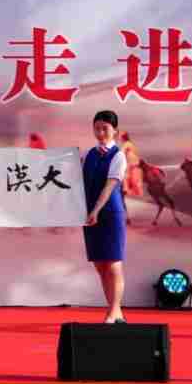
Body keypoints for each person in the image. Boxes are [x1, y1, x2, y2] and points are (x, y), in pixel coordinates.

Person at [83, 111, 128, 324]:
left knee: (113, 263)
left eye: (105, 128)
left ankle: (114, 311)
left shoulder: (118, 156)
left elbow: (110, 187)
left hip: (110, 213)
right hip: (90, 215)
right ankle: (114, 311)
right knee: (100, 265)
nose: (100, 133)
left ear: (115, 131)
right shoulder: (88, 154)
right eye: (97, 128)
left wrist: (96, 210)